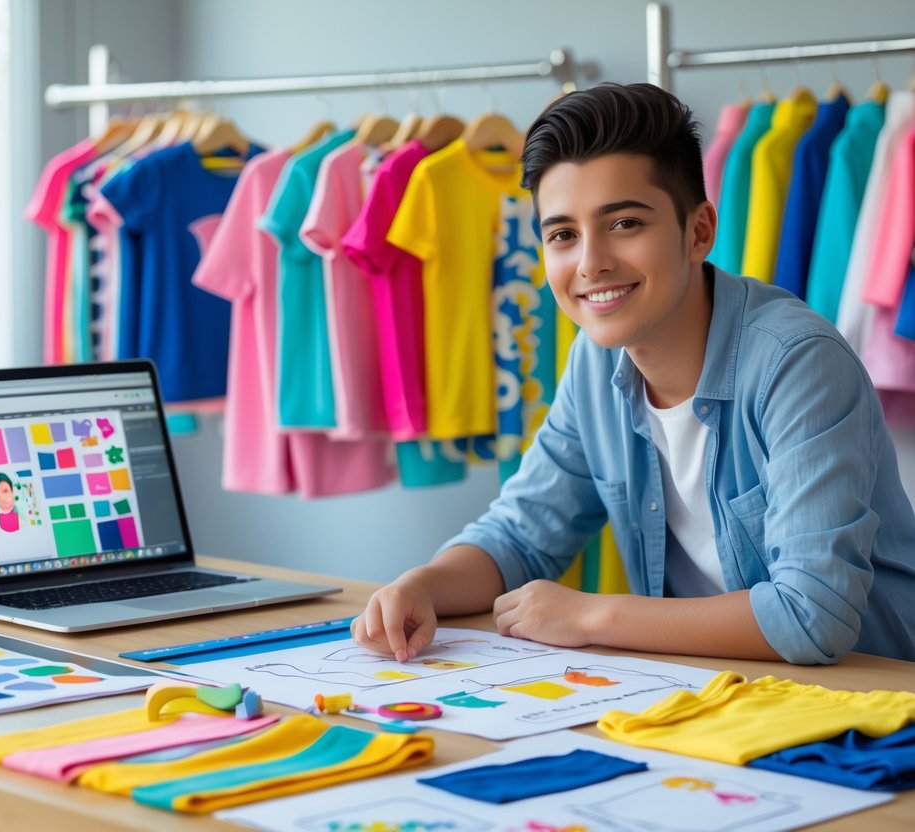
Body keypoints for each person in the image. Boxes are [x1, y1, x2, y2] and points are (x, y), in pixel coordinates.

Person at [352, 82, 915, 666]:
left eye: (623, 223)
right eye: (563, 234)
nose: (590, 263)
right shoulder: (596, 363)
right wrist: (421, 586)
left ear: (698, 231)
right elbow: (519, 535)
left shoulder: (797, 363)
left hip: (872, 703)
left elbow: (812, 615)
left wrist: (593, 614)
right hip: (714, 694)